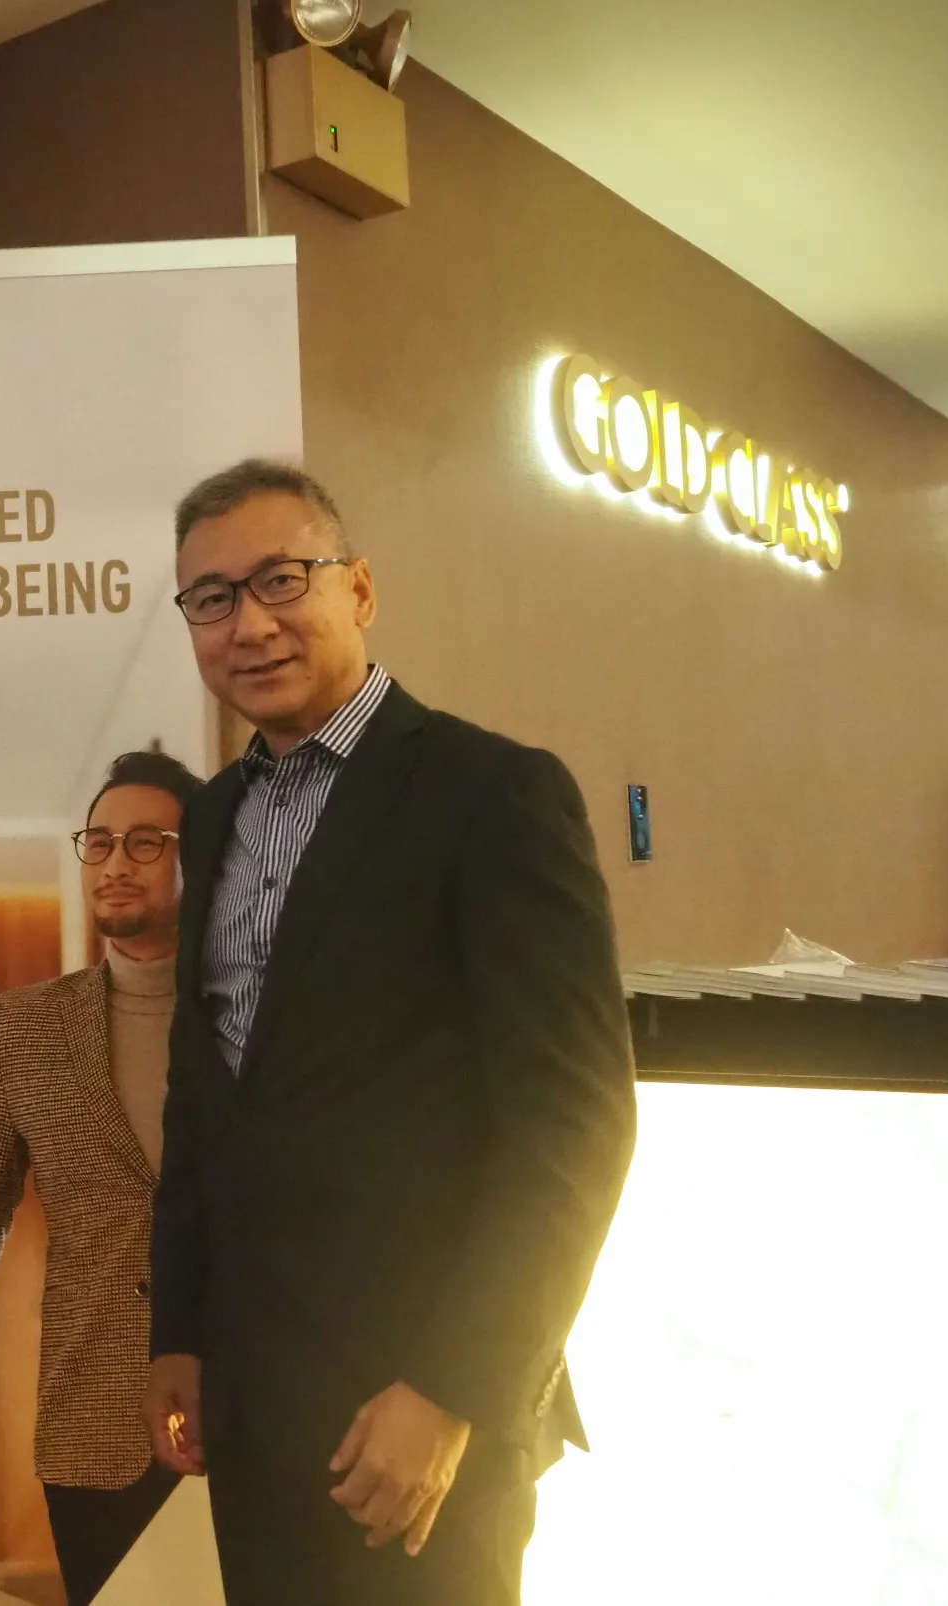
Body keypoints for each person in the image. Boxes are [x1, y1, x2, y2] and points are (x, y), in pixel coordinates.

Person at [141, 459, 638, 1606]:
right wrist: (180, 1326)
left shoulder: (490, 795)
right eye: (210, 598)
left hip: (416, 1410)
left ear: (357, 588)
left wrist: (453, 1386)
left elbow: (571, 1127)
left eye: (279, 579)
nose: (247, 623)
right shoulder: (212, 816)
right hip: (253, 1404)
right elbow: (204, 1091)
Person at [0, 749, 203, 1606]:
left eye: (146, 842)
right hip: (94, 1417)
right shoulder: (26, 1027)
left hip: (256, 1405)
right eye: (98, 843)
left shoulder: (258, 1014)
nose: (115, 863)